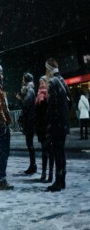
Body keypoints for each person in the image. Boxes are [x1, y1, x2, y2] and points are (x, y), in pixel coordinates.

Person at [45, 58, 71, 192]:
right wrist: (65, 117)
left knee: (57, 153)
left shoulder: (52, 82)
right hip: (64, 123)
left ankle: (58, 182)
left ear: (49, 69)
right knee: (61, 153)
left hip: (56, 125)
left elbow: (52, 105)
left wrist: (50, 124)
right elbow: (69, 100)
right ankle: (62, 180)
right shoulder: (62, 80)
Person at [17, 73, 37, 174]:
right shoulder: (29, 90)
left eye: (23, 79)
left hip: (29, 121)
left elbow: (26, 105)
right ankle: (32, 165)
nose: (22, 81)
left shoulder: (29, 90)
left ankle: (33, 166)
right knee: (29, 144)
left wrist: (20, 98)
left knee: (30, 145)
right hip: (29, 120)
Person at [35, 76, 54, 183]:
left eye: (43, 82)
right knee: (44, 152)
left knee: (49, 152)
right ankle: (43, 174)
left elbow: (47, 113)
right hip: (41, 128)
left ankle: (50, 175)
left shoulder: (48, 96)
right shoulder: (38, 96)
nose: (41, 85)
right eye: (40, 83)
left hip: (47, 127)